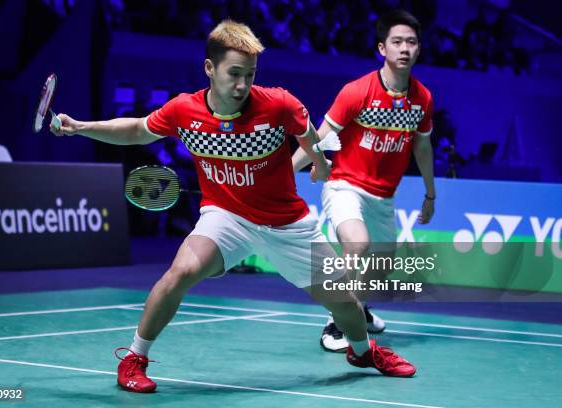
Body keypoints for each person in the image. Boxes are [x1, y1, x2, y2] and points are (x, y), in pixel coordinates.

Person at [51, 20, 416, 393]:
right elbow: (138, 129)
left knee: (346, 304)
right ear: (209, 68)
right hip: (226, 217)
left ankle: (362, 352)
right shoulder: (184, 110)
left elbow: (306, 132)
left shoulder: (277, 103)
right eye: (235, 74)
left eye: (251, 74)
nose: (243, 85)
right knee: (180, 272)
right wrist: (81, 126)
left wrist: (319, 162)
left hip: (287, 223)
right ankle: (134, 358)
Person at [293, 10, 436, 352]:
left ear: (418, 49)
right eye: (397, 42)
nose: (405, 49)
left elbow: (422, 144)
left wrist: (430, 194)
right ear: (381, 48)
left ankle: (357, 308)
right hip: (345, 185)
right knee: (358, 246)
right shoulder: (358, 92)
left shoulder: (422, 99)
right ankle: (337, 321)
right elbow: (322, 136)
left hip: (383, 195)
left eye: (411, 42)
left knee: (383, 263)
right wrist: (285, 172)